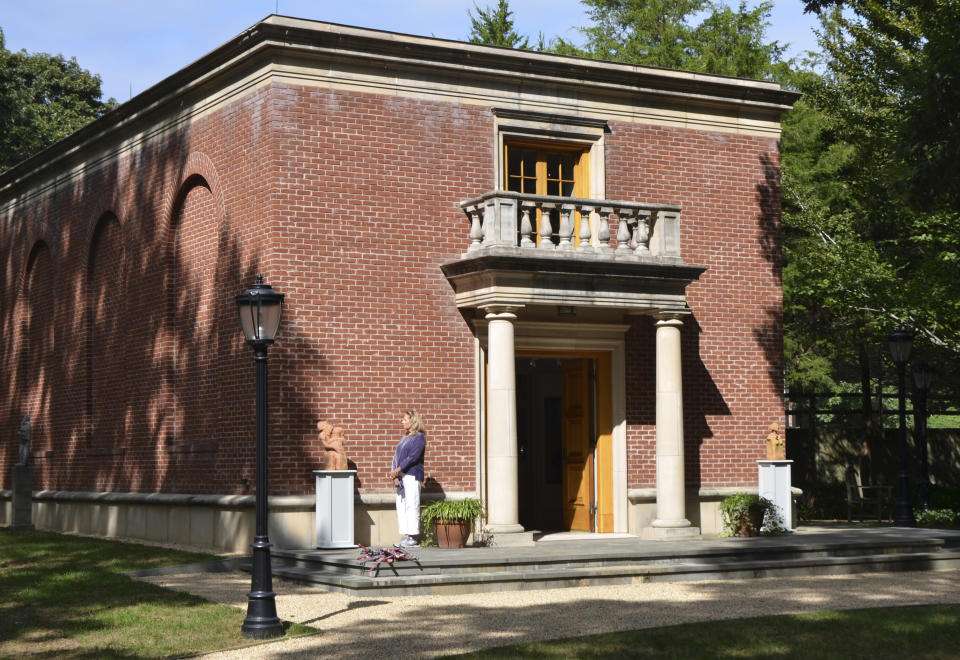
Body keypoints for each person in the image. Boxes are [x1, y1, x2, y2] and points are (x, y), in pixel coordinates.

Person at [389, 409, 426, 548]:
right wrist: (395, 474)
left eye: (405, 419)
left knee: (411, 504)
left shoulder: (419, 438)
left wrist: (398, 470)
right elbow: (396, 456)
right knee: (401, 505)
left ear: (413, 421)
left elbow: (413, 457)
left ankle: (412, 536)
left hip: (411, 475)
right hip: (401, 476)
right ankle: (405, 536)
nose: (402, 422)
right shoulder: (404, 438)